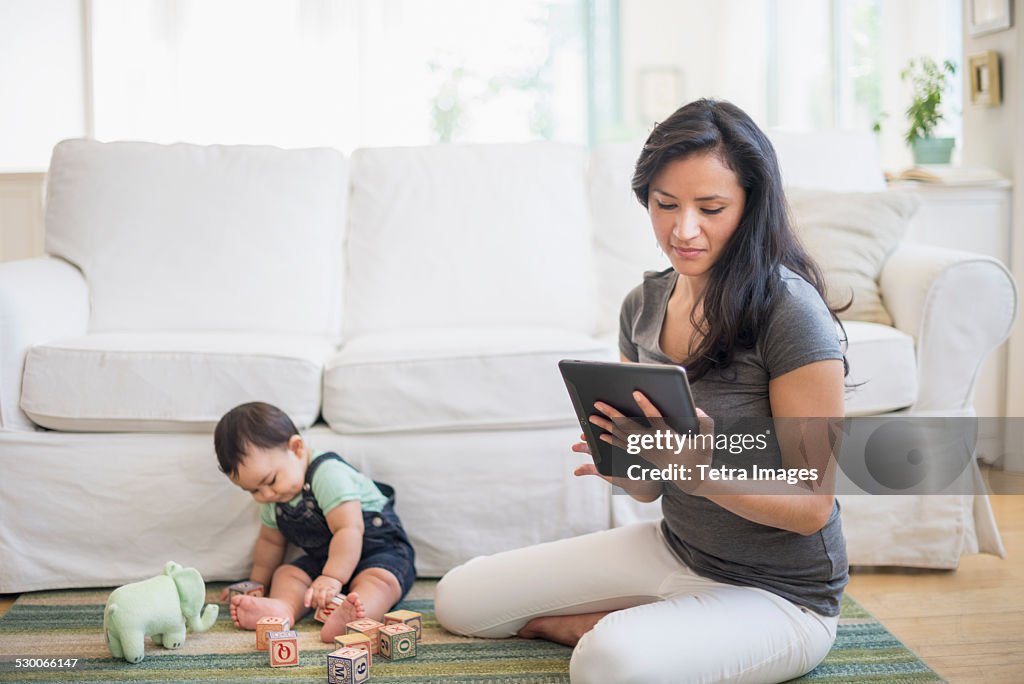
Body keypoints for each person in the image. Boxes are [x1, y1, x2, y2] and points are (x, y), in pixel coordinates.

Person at [434, 98, 849, 683]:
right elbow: (649, 492)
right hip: (678, 549)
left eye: (711, 208)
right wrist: (624, 460)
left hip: (784, 595)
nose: (684, 230)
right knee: (461, 600)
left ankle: (613, 629)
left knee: (607, 665)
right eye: (665, 204)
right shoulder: (643, 306)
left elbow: (812, 507)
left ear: (751, 206)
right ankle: (663, 618)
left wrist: (699, 469)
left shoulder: (791, 313)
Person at [214, 401, 416, 643]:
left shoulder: (327, 473)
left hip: (378, 549)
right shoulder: (274, 498)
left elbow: (348, 528)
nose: (266, 495)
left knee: (380, 582)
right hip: (326, 560)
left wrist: (333, 577)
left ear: (296, 449)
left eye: (270, 481)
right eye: (253, 490)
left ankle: (355, 617)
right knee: (288, 573)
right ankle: (283, 608)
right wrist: (257, 583)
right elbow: (270, 543)